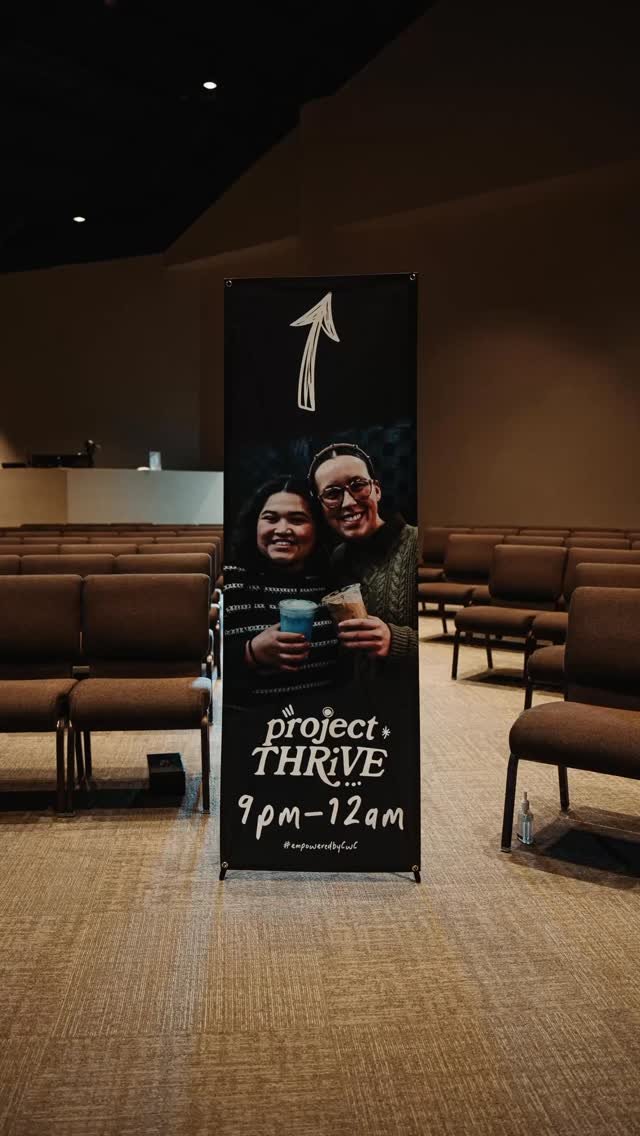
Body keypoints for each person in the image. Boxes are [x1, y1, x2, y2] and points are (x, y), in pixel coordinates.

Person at [224, 476, 339, 708]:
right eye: (270, 518)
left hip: (324, 720)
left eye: (297, 520)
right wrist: (250, 653)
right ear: (255, 525)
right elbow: (202, 666)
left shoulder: (332, 585)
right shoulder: (229, 582)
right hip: (251, 718)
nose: (282, 530)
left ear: (317, 529)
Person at [308, 443, 418, 659]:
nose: (348, 502)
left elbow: (446, 643)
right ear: (321, 505)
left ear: (376, 490)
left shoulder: (416, 544)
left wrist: (397, 641)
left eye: (358, 486)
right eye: (332, 493)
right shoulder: (337, 559)